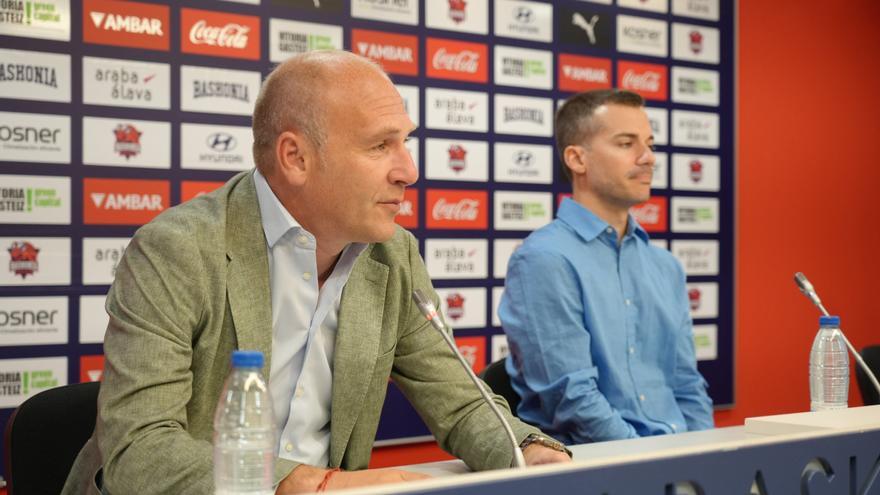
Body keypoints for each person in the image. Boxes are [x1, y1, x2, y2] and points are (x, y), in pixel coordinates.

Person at [62, 51, 570, 495]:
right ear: (296, 158)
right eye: (380, 146)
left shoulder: (393, 255)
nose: (408, 171)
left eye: (405, 142)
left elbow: (462, 405)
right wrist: (314, 484)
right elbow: (140, 452)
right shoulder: (179, 250)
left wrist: (530, 453)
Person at [498, 89, 714, 445]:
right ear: (577, 159)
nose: (648, 158)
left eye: (650, 144)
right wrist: (652, 461)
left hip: (677, 459)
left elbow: (687, 385)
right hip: (599, 464)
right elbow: (573, 400)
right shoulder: (544, 259)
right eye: (626, 143)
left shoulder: (666, 267)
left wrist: (706, 455)